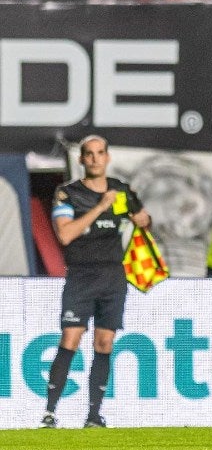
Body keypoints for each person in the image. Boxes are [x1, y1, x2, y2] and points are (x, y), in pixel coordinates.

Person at [39, 134, 151, 429]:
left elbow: (143, 218)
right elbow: (65, 235)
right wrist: (101, 207)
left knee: (104, 343)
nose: (94, 158)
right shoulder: (69, 194)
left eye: (100, 153)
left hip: (113, 276)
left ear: (107, 157)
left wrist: (142, 218)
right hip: (81, 274)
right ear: (81, 159)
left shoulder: (120, 190)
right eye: (89, 154)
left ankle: (94, 415)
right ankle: (50, 412)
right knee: (70, 339)